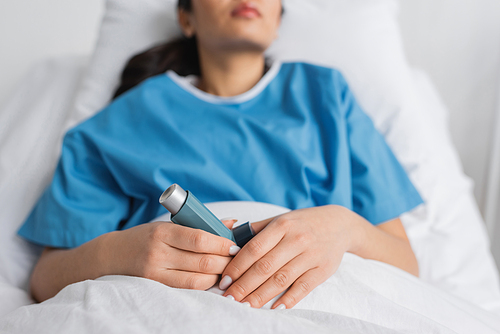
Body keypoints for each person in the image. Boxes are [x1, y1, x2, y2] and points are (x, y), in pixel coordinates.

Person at [18, 0, 423, 310]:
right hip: (161, 306)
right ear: (186, 18)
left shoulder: (328, 96)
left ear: (278, 21)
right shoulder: (123, 120)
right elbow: (46, 277)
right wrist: (121, 253)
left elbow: (406, 263)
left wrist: (342, 227)